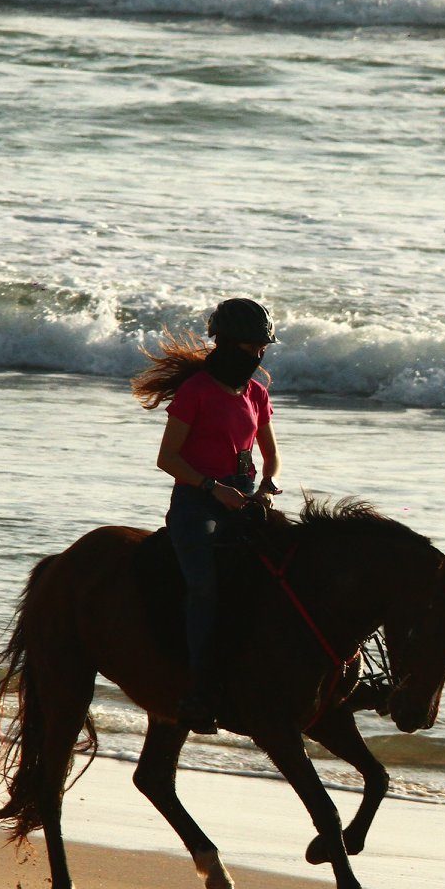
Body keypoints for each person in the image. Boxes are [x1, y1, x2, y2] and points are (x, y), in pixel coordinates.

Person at [131, 297, 281, 733]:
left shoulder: (256, 393)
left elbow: (270, 456)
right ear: (228, 344)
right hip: (197, 504)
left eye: (262, 348)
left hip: (247, 500)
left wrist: (267, 484)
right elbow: (168, 459)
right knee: (204, 587)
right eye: (253, 347)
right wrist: (215, 489)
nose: (259, 355)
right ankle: (198, 687)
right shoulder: (196, 392)